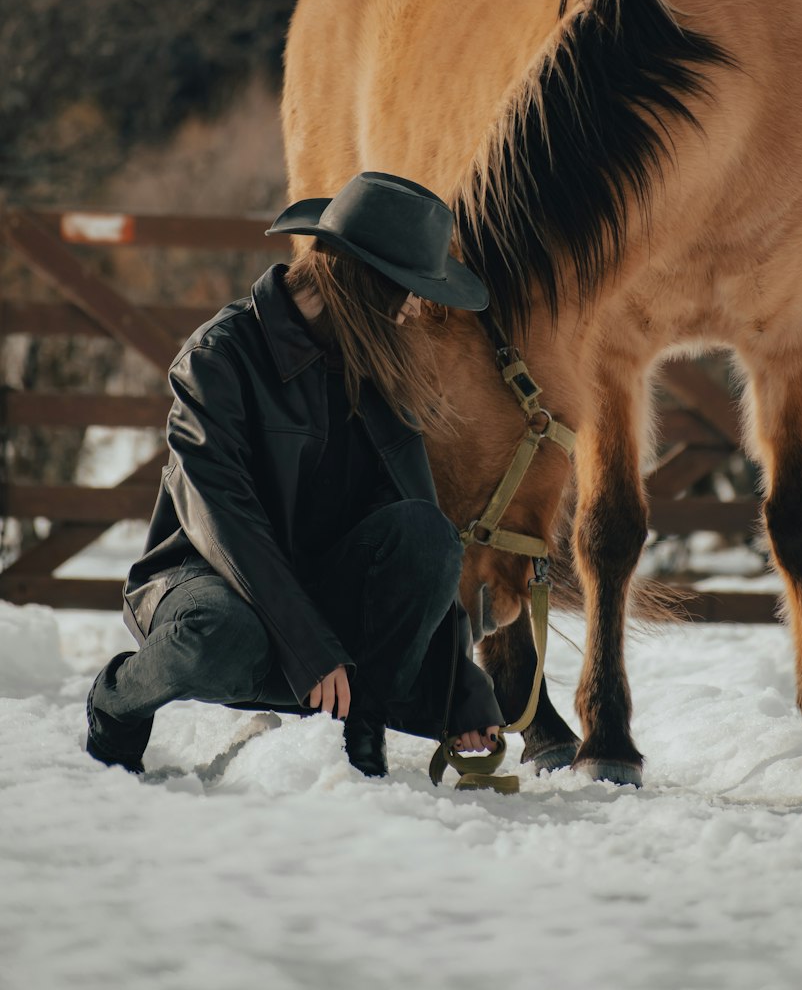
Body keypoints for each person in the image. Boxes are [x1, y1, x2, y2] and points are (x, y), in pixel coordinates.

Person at [85, 172, 503, 779]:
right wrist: (311, 647)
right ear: (365, 279)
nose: (416, 307)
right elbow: (225, 521)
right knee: (218, 632)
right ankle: (116, 701)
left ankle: (362, 739)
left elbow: (422, 545)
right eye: (409, 289)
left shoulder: (382, 375)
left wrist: (463, 691)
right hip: (208, 579)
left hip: (320, 596)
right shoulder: (219, 357)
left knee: (425, 530)